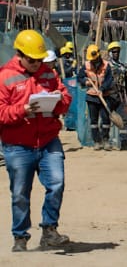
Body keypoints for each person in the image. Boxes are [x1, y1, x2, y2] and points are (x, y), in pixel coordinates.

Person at [0, 30, 72, 252]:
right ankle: (20, 237)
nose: (36, 64)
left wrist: (59, 101)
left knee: (57, 183)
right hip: (18, 145)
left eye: (39, 60)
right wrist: (22, 110)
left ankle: (49, 230)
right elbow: (1, 112)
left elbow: (66, 97)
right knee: (20, 193)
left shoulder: (48, 74)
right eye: (32, 60)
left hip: (48, 140)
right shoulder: (5, 77)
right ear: (19, 55)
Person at [77, 44, 115, 150]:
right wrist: (85, 81)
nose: (93, 61)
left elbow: (109, 80)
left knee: (106, 120)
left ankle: (106, 140)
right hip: (92, 97)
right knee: (93, 121)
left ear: (98, 56)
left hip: (105, 96)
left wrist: (102, 89)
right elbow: (79, 77)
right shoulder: (86, 65)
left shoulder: (106, 65)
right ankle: (97, 141)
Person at [106, 42, 127, 150]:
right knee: (105, 120)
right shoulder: (106, 66)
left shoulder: (122, 67)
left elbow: (126, 84)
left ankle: (124, 142)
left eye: (118, 52)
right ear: (110, 53)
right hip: (108, 95)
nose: (116, 54)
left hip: (120, 96)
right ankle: (106, 142)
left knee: (124, 119)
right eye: (114, 52)